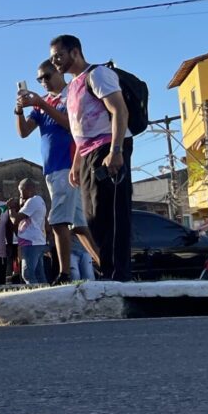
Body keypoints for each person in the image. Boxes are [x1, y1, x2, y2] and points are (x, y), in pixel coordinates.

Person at [49, 34, 133, 281]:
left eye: (59, 56)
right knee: (93, 217)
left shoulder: (97, 75)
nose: (55, 63)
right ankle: (107, 270)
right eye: (53, 58)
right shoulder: (73, 85)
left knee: (113, 214)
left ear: (75, 52)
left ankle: (118, 274)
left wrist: (116, 152)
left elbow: (119, 110)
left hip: (109, 147)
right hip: (87, 155)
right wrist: (77, 163)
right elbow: (78, 129)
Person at [16, 60, 100, 284]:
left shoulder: (70, 94)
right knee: (79, 224)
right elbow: (24, 131)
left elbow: (72, 126)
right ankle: (108, 266)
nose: (44, 82)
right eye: (39, 79)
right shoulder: (44, 102)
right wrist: (18, 110)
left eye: (47, 76)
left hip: (69, 163)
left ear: (58, 73)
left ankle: (63, 273)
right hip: (52, 167)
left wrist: (42, 105)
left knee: (58, 221)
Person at [9, 178, 49, 285]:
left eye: (21, 190)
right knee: (39, 274)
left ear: (29, 189)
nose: (20, 194)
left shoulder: (33, 201)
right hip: (36, 241)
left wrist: (11, 208)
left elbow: (15, 220)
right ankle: (44, 294)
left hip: (31, 243)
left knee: (27, 274)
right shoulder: (38, 201)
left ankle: (35, 296)